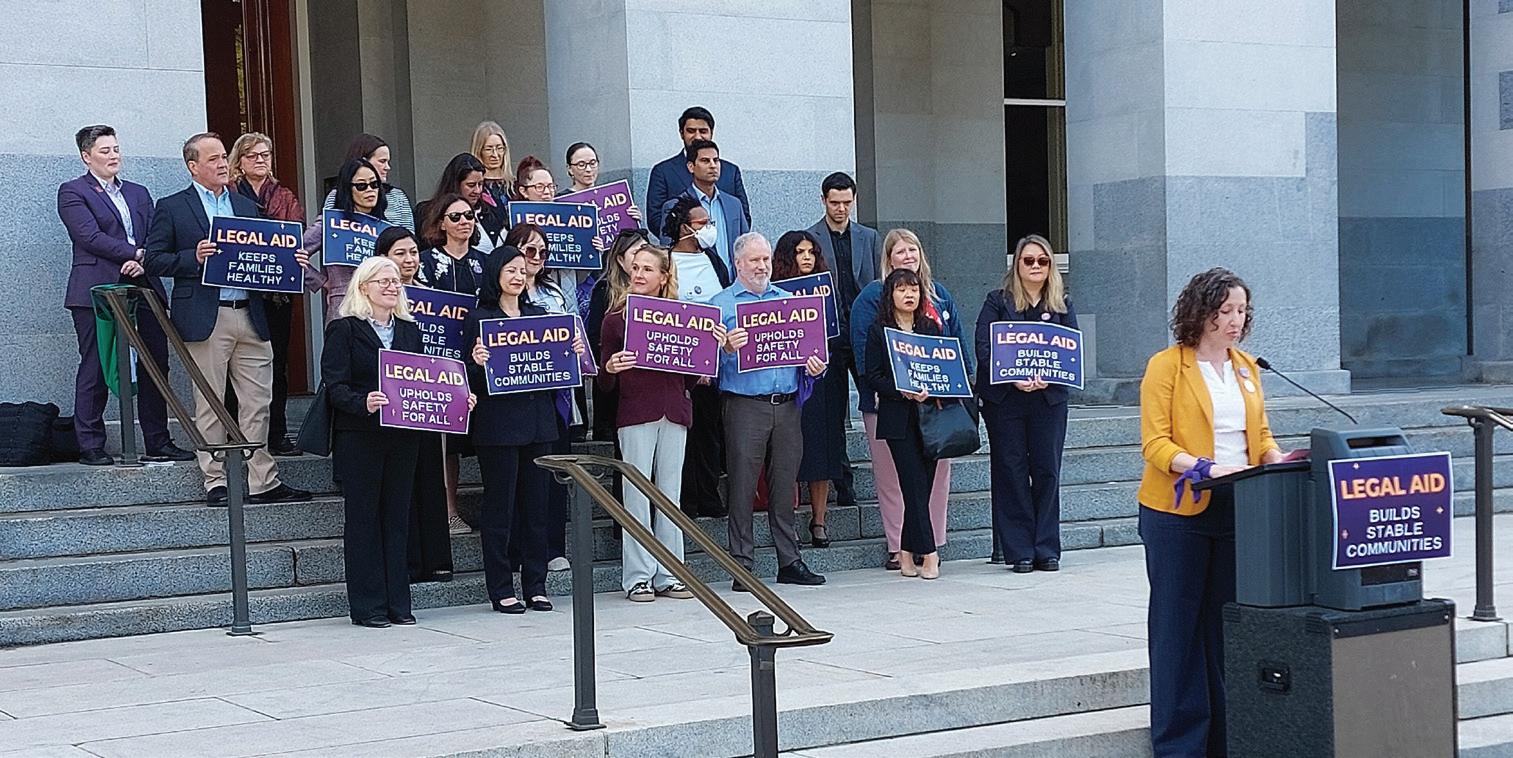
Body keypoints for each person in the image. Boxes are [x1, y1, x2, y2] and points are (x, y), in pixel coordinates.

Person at [1138, 267, 1285, 757]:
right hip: (1178, 511)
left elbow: (1258, 434)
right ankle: (1179, 744)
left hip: (1237, 504)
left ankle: (1223, 739)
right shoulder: (1167, 366)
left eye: (1242, 310)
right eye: (1225, 310)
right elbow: (1155, 443)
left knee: (1224, 628)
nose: (1236, 320)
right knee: (1177, 631)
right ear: (1201, 313)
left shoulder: (1247, 367)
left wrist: (1277, 458)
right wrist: (1204, 466)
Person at [143, 132, 308, 505]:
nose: (222, 164)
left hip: (250, 314)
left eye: (222, 157)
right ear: (193, 166)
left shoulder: (245, 206)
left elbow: (264, 255)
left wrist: (290, 262)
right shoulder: (173, 206)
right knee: (210, 402)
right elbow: (153, 260)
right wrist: (193, 257)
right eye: (213, 159)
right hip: (207, 317)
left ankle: (263, 481)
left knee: (257, 402)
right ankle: (215, 480)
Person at [323, 257, 471, 626]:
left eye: (395, 282)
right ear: (363, 287)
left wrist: (457, 399)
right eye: (383, 281)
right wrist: (363, 402)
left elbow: (425, 380)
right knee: (364, 521)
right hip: (360, 438)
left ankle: (398, 604)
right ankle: (368, 607)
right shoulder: (344, 329)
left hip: (403, 438)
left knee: (397, 519)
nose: (392, 287)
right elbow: (335, 386)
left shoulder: (409, 330)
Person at [57, 124, 193, 466]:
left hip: (143, 284)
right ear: (86, 156)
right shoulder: (73, 191)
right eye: (105, 151)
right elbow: (89, 237)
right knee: (96, 364)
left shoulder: (138, 192)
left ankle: (158, 440)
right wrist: (134, 254)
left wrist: (143, 258)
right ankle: (90, 444)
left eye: (116, 149)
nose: (113, 156)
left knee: (154, 362)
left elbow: (155, 234)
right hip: (96, 289)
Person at [465, 246, 581, 614]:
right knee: (500, 509)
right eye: (510, 270)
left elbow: (558, 371)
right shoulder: (479, 318)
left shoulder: (539, 316)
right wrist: (476, 362)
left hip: (538, 425)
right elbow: (466, 378)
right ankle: (501, 587)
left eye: (522, 270)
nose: (518, 276)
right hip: (497, 427)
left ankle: (536, 585)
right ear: (495, 274)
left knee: (537, 508)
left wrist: (571, 352)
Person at [849, 228, 971, 570]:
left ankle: (921, 546)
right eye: (900, 251)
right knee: (897, 481)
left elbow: (956, 347)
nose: (908, 256)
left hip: (936, 408)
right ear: (888, 259)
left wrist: (960, 388)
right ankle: (907, 549)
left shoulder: (939, 296)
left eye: (913, 250)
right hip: (890, 408)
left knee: (932, 481)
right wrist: (892, 390)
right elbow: (865, 359)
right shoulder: (871, 300)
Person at [599, 245, 712, 602]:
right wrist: (610, 368)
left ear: (664, 277)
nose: (638, 274)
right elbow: (604, 382)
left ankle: (671, 573)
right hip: (635, 412)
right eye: (635, 267)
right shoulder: (615, 319)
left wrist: (705, 359)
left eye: (647, 269)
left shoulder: (684, 317)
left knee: (669, 496)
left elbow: (689, 375)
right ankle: (638, 576)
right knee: (636, 496)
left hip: (674, 412)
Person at [714, 232, 827, 591]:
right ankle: (742, 565)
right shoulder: (720, 305)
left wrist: (815, 367)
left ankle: (789, 561)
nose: (762, 266)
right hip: (744, 405)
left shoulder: (789, 301)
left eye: (765, 259)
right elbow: (702, 366)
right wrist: (725, 350)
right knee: (743, 486)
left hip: (788, 404)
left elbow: (811, 352)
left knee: (785, 485)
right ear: (738, 264)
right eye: (754, 260)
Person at [975, 235, 1077, 573]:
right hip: (1006, 401)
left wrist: (1051, 376)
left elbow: (1072, 352)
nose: (1035, 266)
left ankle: (1047, 549)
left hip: (1048, 399)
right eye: (1028, 260)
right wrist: (1012, 377)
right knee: (1011, 470)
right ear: (1017, 264)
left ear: (1051, 266)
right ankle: (1019, 550)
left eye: (1042, 261)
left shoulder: (1062, 304)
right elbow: (984, 347)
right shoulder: (997, 301)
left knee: (1047, 470)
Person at [375, 227, 453, 583]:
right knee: (400, 488)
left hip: (430, 399)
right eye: (400, 253)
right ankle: (406, 560)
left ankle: (435, 559)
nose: (409, 260)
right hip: (390, 405)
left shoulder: (434, 292)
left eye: (413, 253)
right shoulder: (377, 299)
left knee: (430, 479)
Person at [414, 192, 489, 535]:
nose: (464, 222)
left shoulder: (485, 263)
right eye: (456, 217)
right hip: (438, 364)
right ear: (441, 223)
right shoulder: (426, 262)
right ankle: (447, 511)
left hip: (478, 362)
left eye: (469, 216)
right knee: (445, 442)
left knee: (476, 436)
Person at [806, 172, 880, 508]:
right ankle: (842, 481)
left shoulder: (869, 237)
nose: (841, 208)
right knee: (832, 413)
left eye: (847, 203)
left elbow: (877, 283)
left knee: (874, 403)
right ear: (823, 200)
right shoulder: (810, 238)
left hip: (864, 333)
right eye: (835, 202)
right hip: (831, 336)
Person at [864, 269, 944, 580]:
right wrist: (902, 390)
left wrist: (929, 390)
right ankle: (931, 553)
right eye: (901, 289)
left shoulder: (930, 328)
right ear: (890, 295)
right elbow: (872, 376)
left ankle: (907, 549)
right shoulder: (878, 331)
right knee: (912, 484)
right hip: (897, 417)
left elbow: (944, 368)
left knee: (923, 486)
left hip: (930, 418)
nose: (909, 294)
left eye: (914, 288)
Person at [229, 132, 304, 456]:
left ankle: (277, 433)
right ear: (239, 161)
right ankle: (234, 433)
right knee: (235, 365)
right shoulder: (229, 193)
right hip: (241, 291)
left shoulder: (284, 195)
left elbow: (295, 234)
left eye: (265, 154)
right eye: (253, 155)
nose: (260, 160)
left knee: (277, 363)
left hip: (276, 294)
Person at [508, 222, 576, 571]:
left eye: (542, 252)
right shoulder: (500, 294)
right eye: (529, 250)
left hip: (555, 393)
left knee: (555, 472)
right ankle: (519, 550)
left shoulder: (554, 292)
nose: (536, 257)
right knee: (520, 479)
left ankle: (553, 547)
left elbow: (572, 330)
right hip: (516, 397)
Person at [772, 230, 844, 547]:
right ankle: (787, 521)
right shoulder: (773, 291)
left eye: (811, 252)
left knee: (819, 451)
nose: (806, 257)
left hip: (820, 379)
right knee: (786, 454)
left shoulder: (826, 289)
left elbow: (837, 331)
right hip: (785, 381)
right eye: (799, 252)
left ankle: (819, 520)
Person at [661, 196, 731, 518]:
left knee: (709, 431)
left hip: (713, 364)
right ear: (684, 227)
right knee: (684, 434)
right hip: (678, 364)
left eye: (710, 222)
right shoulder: (666, 260)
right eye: (703, 223)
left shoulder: (714, 260)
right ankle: (686, 498)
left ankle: (709, 495)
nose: (709, 229)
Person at [300, 158, 389, 323]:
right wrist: (322, 282)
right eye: (361, 186)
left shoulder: (386, 227)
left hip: (381, 309)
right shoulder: (330, 222)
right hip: (343, 308)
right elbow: (291, 252)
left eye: (374, 184)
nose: (370, 190)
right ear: (347, 189)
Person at [586, 229, 650, 443]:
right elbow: (595, 339)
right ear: (621, 260)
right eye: (635, 252)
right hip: (615, 387)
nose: (641, 256)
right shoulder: (604, 290)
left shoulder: (657, 294)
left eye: (645, 250)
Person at [646, 106, 751, 234]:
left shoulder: (730, 171)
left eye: (703, 131)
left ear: (711, 133)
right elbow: (656, 219)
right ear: (681, 133)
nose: (697, 136)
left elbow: (743, 218)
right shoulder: (663, 171)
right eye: (691, 131)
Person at [657, 139, 748, 271]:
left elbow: (744, 245)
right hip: (695, 277)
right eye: (705, 161)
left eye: (716, 160)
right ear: (691, 167)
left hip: (732, 279)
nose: (713, 166)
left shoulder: (734, 204)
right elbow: (667, 252)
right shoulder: (675, 206)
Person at [322, 133, 414, 231]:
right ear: (364, 161)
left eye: (374, 185)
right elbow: (328, 232)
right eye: (382, 161)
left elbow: (409, 235)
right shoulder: (336, 195)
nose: (387, 167)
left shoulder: (398, 196)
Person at [416, 153, 500, 252]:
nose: (477, 190)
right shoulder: (426, 212)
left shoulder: (492, 211)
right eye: (471, 185)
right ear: (456, 184)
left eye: (481, 184)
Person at [471, 121, 513, 232]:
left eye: (499, 148)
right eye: (489, 149)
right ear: (479, 150)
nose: (495, 155)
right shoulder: (472, 187)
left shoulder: (515, 186)